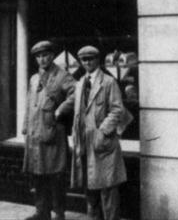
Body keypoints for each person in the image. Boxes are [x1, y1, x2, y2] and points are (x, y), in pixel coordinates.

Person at [70, 45, 127, 220]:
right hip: (85, 144)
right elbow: (78, 113)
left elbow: (117, 110)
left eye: (91, 59)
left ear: (98, 60)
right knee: (90, 189)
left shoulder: (108, 82)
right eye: (83, 60)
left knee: (108, 190)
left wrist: (103, 132)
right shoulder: (80, 83)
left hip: (104, 144)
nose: (87, 63)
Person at [22, 40, 76, 220]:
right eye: (38, 56)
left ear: (52, 55)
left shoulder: (62, 76)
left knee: (55, 176)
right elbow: (29, 103)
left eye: (45, 55)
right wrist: (25, 127)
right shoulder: (34, 78)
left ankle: (58, 213)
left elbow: (76, 94)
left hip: (53, 132)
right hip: (35, 133)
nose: (42, 59)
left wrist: (61, 109)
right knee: (38, 175)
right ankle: (41, 211)